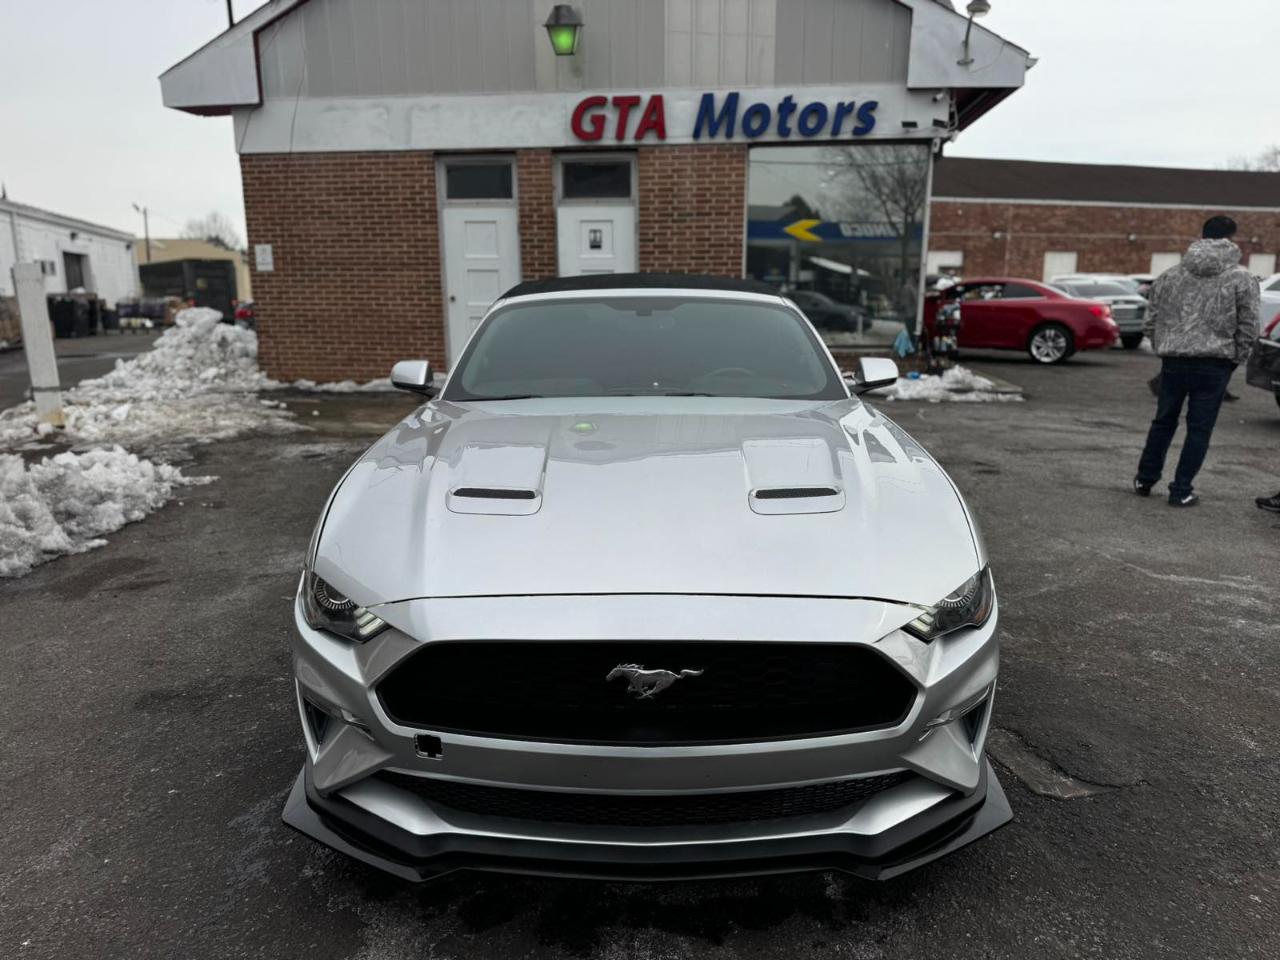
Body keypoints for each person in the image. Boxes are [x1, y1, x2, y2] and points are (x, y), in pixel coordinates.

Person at [1134, 216, 1260, 507]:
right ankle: (1181, 491)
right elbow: (1249, 325)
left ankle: (1145, 479)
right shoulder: (1242, 279)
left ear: (1201, 237)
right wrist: (1236, 358)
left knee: (1163, 421)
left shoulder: (1170, 276)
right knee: (1199, 429)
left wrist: (1164, 348)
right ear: (1231, 239)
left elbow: (1151, 320)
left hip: (1174, 360)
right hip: (1215, 362)